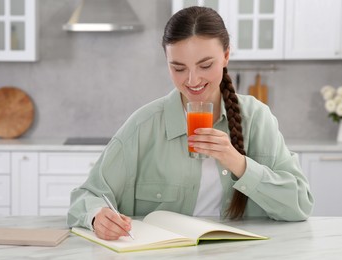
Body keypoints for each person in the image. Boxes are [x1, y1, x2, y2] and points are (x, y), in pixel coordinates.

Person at [67, 6, 314, 241]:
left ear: (226, 55)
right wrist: (97, 216)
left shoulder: (257, 118)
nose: (192, 80)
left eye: (205, 65)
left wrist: (238, 162)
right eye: (178, 68)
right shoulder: (144, 125)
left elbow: (299, 205)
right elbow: (87, 195)